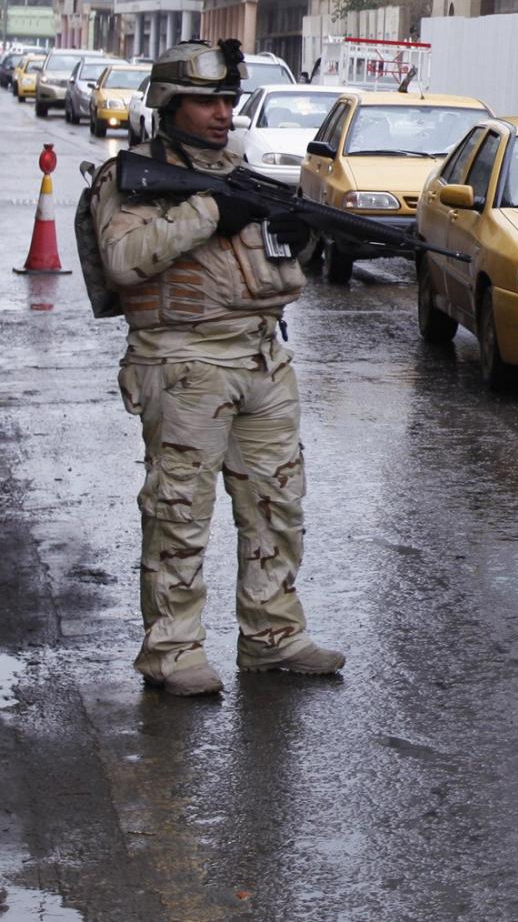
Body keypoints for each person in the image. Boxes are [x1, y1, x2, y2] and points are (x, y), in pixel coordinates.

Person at [90, 40, 345, 697]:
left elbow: (277, 273)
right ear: (170, 104)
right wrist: (209, 212)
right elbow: (124, 261)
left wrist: (300, 232)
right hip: (183, 361)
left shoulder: (239, 173)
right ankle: (172, 652)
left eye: (229, 99)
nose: (222, 112)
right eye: (206, 99)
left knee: (277, 502)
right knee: (179, 510)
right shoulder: (133, 175)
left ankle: (273, 635)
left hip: (261, 354)